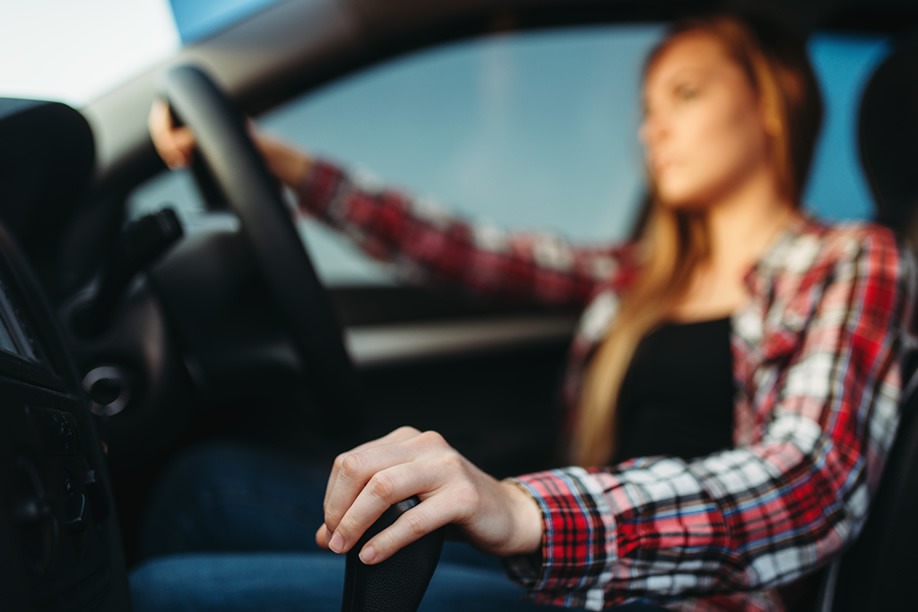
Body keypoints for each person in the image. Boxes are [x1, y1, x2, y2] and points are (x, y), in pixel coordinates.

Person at [132, 9, 915, 611]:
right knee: (207, 485)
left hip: (677, 594)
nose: (653, 127)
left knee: (163, 593)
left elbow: (808, 482)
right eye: (646, 107)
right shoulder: (638, 276)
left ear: (770, 106)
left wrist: (524, 509)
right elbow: (464, 248)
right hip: (570, 571)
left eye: (686, 93)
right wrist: (284, 165)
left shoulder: (849, 259)